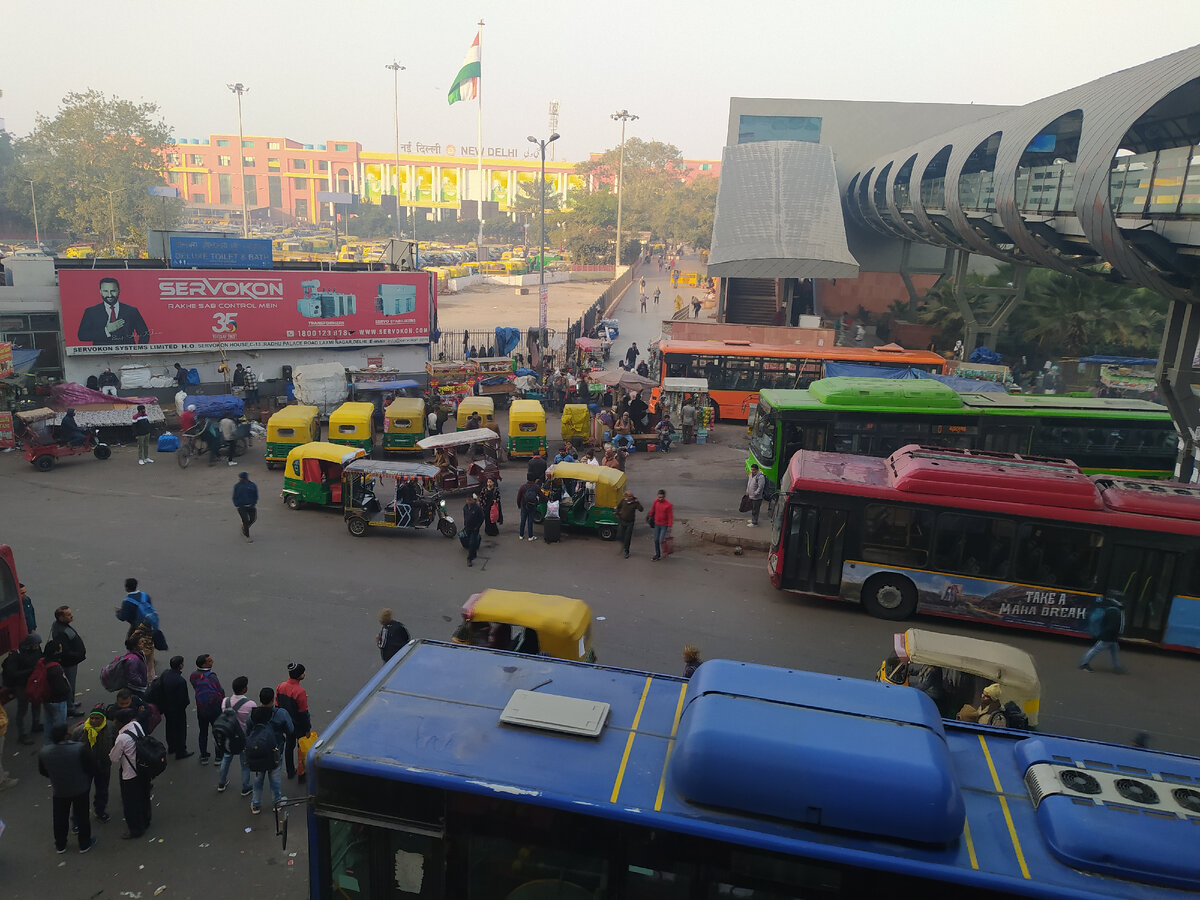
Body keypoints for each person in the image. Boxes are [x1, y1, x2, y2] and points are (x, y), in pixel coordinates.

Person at [39, 722, 98, 854]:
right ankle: (84, 843)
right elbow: (91, 767)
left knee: (60, 817)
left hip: (59, 789)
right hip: (80, 788)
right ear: (67, 734)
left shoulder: (45, 752)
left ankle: (60, 844)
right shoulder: (79, 748)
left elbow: (43, 771)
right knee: (82, 816)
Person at [246, 687, 293, 814]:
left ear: (260, 699)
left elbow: (248, 731)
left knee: (258, 777)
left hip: (258, 751)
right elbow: (290, 730)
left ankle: (256, 804)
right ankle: (276, 803)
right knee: (275, 778)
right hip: (275, 750)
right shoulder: (281, 713)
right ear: (274, 699)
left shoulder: (254, 715)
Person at [110, 707, 153, 838]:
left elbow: (114, 757)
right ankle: (146, 820)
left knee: (130, 803)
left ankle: (135, 829)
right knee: (144, 797)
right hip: (143, 769)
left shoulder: (122, 738)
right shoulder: (136, 725)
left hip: (129, 774)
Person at [70, 705, 115, 825]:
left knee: (102, 790)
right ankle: (77, 820)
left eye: (97, 718)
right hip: (84, 768)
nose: (94, 721)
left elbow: (115, 741)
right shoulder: (80, 730)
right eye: (92, 718)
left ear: (103, 719)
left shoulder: (110, 727)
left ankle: (100, 811)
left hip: (103, 766)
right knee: (81, 795)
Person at [77, 276, 151, 345]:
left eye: (113, 291)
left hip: (128, 356)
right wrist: (107, 330)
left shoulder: (132, 311)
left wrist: (137, 351)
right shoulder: (90, 312)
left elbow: (145, 334)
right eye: (105, 291)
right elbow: (82, 335)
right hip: (101, 357)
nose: (109, 295)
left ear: (119, 291)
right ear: (100, 291)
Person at [215, 676, 256, 796]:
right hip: (243, 738)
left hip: (228, 737)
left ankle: (221, 783)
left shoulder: (225, 701)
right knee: (245, 764)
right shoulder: (250, 704)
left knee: (226, 759)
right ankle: (245, 787)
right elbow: (253, 721)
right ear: (244, 689)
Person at [2, 633, 43, 744]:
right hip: (21, 685)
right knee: (22, 709)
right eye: (36, 645)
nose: (37, 647)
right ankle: (22, 734)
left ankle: (36, 724)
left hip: (34, 682)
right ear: (29, 645)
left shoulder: (36, 650)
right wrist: (31, 670)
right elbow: (12, 673)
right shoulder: (16, 656)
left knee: (36, 703)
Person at [150, 655, 193, 761]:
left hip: (167, 707)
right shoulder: (180, 681)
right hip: (177, 710)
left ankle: (172, 747)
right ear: (180, 666)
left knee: (169, 727)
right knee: (180, 730)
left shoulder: (165, 673)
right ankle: (181, 751)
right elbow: (183, 699)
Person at [276, 663, 311, 781]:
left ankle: (290, 771)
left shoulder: (281, 686)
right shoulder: (300, 692)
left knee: (289, 747)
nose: (304, 674)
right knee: (301, 749)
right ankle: (301, 774)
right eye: (303, 672)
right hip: (299, 726)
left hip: (287, 724)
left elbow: (277, 706)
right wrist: (307, 729)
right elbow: (303, 713)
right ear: (298, 676)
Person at [189, 654, 226, 765]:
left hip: (201, 708)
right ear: (204, 664)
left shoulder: (193, 676)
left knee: (203, 731)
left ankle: (204, 755)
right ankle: (218, 757)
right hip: (214, 708)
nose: (212, 661)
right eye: (209, 661)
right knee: (217, 732)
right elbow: (220, 691)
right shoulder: (211, 676)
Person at [50, 605, 87, 716]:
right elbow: (65, 651)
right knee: (69, 685)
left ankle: (70, 702)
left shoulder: (62, 626)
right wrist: (78, 655)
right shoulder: (61, 631)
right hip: (69, 663)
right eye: (68, 615)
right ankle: (70, 708)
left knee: (70, 684)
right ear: (61, 618)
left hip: (71, 661)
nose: (71, 616)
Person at [40, 639, 74, 743]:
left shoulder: (43, 662)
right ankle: (59, 746)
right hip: (58, 701)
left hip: (47, 699)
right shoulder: (55, 668)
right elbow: (62, 688)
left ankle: (48, 744)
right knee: (59, 727)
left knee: (49, 723)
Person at [1080, 595, 1125, 673]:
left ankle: (1117, 667)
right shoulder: (1114, 612)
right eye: (1121, 602)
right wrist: (1110, 635)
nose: (1123, 603)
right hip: (1108, 636)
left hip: (1112, 637)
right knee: (1096, 649)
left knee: (1114, 651)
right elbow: (1113, 626)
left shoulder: (1112, 610)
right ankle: (1084, 664)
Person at [615, 490, 643, 559]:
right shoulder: (623, 501)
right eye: (629, 496)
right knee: (619, 535)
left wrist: (637, 502)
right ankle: (623, 543)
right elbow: (618, 507)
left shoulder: (634, 503)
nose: (631, 497)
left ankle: (626, 551)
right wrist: (617, 514)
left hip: (630, 522)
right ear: (626, 496)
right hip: (622, 521)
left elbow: (641, 509)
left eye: (631, 496)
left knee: (628, 537)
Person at [233, 471, 258, 543]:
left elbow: (255, 494)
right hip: (241, 507)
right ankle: (247, 536)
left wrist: (254, 502)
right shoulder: (237, 486)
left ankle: (244, 527)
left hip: (251, 505)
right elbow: (234, 496)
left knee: (253, 519)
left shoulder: (252, 485)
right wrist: (237, 504)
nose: (239, 479)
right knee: (245, 521)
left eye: (240, 478)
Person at [650, 489, 674, 561]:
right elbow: (652, 509)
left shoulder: (668, 505)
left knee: (661, 539)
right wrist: (650, 515)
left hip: (664, 525)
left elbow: (670, 516)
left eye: (662, 497)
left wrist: (669, 525)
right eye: (659, 497)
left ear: (664, 497)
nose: (660, 499)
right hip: (657, 523)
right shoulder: (656, 501)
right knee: (656, 540)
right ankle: (657, 554)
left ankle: (665, 549)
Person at [462, 494, 485, 566]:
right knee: (471, 543)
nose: (468, 500)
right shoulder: (465, 508)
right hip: (467, 528)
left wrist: (477, 527)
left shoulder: (477, 508)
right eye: (467, 499)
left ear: (473, 500)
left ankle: (469, 559)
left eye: (470, 499)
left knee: (472, 543)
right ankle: (473, 553)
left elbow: (482, 518)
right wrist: (465, 525)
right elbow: (465, 517)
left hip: (474, 529)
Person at [517, 478, 542, 542]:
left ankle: (521, 535)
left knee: (523, 520)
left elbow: (518, 497)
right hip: (532, 506)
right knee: (530, 521)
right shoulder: (536, 487)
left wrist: (519, 505)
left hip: (524, 506)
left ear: (527, 479)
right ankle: (530, 536)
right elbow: (541, 495)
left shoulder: (523, 487)